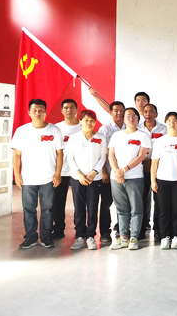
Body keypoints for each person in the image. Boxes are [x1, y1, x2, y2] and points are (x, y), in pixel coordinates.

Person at [11, 98, 64, 249]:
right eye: (34, 110)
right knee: (29, 210)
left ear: (46, 112)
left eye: (41, 110)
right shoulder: (22, 131)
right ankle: (31, 237)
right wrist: (17, 175)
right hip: (28, 178)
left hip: (48, 178)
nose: (38, 113)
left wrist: (58, 173)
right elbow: (16, 154)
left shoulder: (54, 130)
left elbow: (60, 153)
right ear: (29, 112)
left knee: (48, 210)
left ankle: (46, 237)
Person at [108, 107, 151, 251]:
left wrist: (124, 170)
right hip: (116, 178)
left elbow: (141, 156)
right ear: (124, 118)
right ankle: (123, 236)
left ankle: (134, 237)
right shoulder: (116, 135)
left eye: (134, 116)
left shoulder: (143, 136)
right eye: (127, 116)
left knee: (136, 209)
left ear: (138, 119)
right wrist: (117, 172)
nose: (130, 118)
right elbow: (111, 155)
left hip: (134, 177)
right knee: (121, 209)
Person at [66, 110, 107, 251]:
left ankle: (90, 236)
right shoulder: (74, 138)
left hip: (94, 178)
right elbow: (70, 158)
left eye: (92, 120)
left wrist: (94, 172)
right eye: (86, 120)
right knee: (79, 207)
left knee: (93, 207)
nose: (89, 123)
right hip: (78, 178)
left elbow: (103, 157)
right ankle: (79, 236)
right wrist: (78, 174)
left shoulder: (100, 137)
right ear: (80, 121)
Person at [151, 112, 177, 250]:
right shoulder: (160, 141)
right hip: (162, 180)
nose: (172, 123)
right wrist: (153, 181)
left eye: (175, 121)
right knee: (163, 210)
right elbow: (154, 163)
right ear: (166, 123)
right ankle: (165, 237)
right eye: (169, 121)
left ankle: (176, 237)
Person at [52, 99, 82, 240]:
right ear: (62, 110)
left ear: (77, 110)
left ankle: (80, 231)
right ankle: (58, 229)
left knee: (79, 203)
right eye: (66, 108)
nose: (69, 110)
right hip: (61, 170)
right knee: (58, 202)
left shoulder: (83, 127)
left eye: (72, 107)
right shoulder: (56, 128)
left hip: (79, 171)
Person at [97, 100, 125, 243]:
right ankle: (104, 232)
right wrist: (103, 171)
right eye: (116, 110)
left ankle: (121, 229)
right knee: (106, 203)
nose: (119, 113)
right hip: (108, 173)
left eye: (121, 110)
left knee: (123, 204)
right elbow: (100, 152)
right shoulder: (105, 129)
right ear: (111, 112)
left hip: (125, 173)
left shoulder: (129, 127)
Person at [138, 103, 166, 240]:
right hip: (141, 168)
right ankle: (142, 227)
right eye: (145, 111)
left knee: (159, 200)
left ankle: (158, 229)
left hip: (158, 169)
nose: (148, 114)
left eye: (151, 111)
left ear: (156, 114)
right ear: (142, 113)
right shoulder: (137, 128)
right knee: (142, 199)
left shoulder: (164, 129)